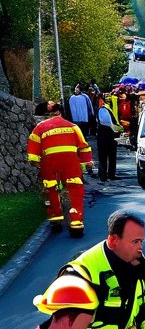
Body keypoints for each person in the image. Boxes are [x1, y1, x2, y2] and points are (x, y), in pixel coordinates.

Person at [27, 101, 94, 237]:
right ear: (60, 113)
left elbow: (33, 153)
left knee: (51, 189)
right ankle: (76, 225)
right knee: (75, 191)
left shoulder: (40, 128)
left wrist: (37, 163)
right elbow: (84, 146)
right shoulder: (73, 127)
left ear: (45, 115)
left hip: (49, 164)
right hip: (71, 164)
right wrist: (87, 162)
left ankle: (56, 221)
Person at [95, 95, 121, 182]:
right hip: (106, 133)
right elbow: (105, 121)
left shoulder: (104, 108)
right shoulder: (103, 109)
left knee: (108, 155)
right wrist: (115, 127)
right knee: (106, 156)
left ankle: (108, 175)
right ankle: (105, 175)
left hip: (107, 134)